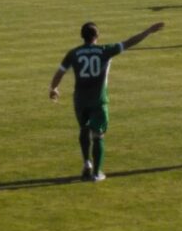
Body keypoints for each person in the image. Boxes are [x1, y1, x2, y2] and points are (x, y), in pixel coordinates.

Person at [48, 21, 165, 182]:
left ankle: (86, 163)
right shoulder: (104, 51)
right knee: (98, 135)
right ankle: (96, 173)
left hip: (80, 100)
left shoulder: (73, 53)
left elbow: (60, 72)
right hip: (98, 100)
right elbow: (129, 42)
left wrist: (53, 88)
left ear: (82, 36)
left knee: (83, 129)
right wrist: (148, 31)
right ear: (97, 36)